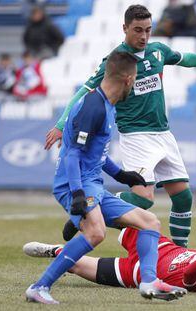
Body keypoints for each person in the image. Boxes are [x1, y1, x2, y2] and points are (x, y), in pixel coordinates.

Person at [44, 4, 196, 247]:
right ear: (125, 28)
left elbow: (187, 59)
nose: (144, 36)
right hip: (136, 136)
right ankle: (88, 209)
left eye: (148, 30)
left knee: (183, 198)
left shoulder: (158, 51)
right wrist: (61, 123)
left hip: (163, 134)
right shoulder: (115, 61)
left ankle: (180, 254)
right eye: (138, 30)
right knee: (144, 197)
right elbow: (83, 92)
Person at [25, 51, 187, 305]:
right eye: (134, 81)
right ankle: (39, 286)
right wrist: (77, 193)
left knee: (149, 222)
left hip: (93, 185)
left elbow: (97, 154)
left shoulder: (108, 106)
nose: (133, 86)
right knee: (96, 232)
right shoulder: (93, 107)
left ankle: (148, 282)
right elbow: (73, 156)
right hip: (74, 182)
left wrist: (122, 175)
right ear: (127, 78)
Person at [24, 201, 196, 293]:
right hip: (154, 242)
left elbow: (188, 275)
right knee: (127, 209)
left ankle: (55, 250)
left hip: (133, 272)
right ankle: (83, 218)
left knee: (76, 265)